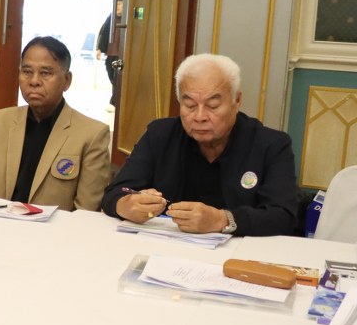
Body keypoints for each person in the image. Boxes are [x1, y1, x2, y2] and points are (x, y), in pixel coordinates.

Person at [102, 53, 299, 236]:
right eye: (190, 105)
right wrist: (125, 205)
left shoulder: (271, 145)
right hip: (166, 248)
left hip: (240, 254)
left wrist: (222, 220)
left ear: (236, 100)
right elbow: (115, 192)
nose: (200, 116)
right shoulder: (160, 135)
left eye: (213, 106)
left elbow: (283, 215)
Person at [0, 36, 112, 211]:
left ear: (67, 80)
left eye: (45, 73)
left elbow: (86, 211)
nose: (34, 81)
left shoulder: (92, 135)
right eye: (27, 72)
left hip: (58, 228)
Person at [96, 0, 124, 106]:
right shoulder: (111, 18)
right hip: (111, 53)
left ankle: (114, 102)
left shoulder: (126, 19)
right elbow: (103, 33)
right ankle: (116, 99)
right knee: (112, 76)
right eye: (116, 5)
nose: (117, 7)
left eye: (120, 4)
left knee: (117, 79)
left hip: (121, 55)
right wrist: (99, 49)